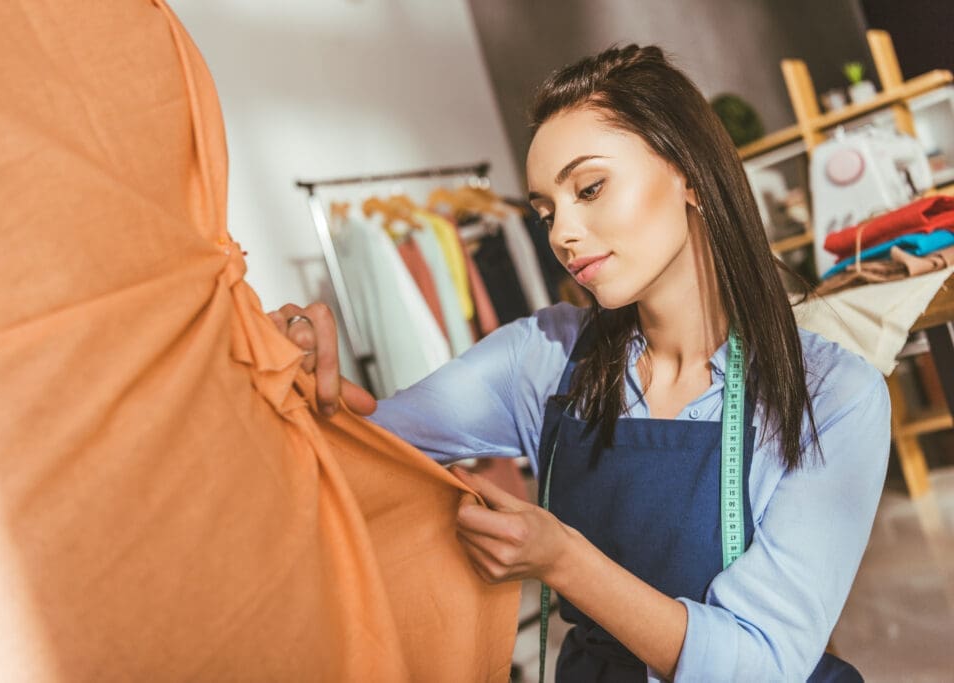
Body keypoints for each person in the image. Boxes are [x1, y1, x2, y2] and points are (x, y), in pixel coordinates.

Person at [274, 44, 890, 682]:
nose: (563, 233)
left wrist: (564, 561)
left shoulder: (833, 395)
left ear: (691, 175)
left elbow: (760, 663)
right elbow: (356, 449)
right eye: (545, 212)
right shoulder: (543, 357)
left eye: (589, 189)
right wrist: (285, 371)